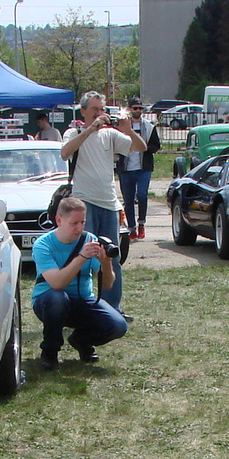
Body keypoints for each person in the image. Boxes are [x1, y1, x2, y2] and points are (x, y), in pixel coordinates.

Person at [59, 91, 143, 311]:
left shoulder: (110, 135)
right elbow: (65, 152)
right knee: (83, 257)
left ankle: (111, 307)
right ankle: (80, 306)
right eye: (95, 109)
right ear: (83, 111)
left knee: (111, 257)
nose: (100, 114)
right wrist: (91, 128)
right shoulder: (74, 132)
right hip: (84, 204)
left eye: (102, 109)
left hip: (109, 203)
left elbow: (141, 148)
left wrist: (128, 131)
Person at [30, 196, 128, 369]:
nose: (79, 228)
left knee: (118, 325)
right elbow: (57, 284)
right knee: (57, 298)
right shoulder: (43, 245)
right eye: (74, 223)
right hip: (49, 302)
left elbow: (107, 285)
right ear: (59, 220)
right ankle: (50, 351)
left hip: (83, 301)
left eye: (82, 222)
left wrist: (106, 263)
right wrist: (82, 257)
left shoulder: (89, 239)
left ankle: (81, 340)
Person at [117, 100, 158, 241]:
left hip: (143, 168)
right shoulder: (121, 126)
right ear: (129, 109)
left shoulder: (149, 127)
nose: (138, 110)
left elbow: (155, 145)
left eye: (140, 108)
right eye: (135, 108)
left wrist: (144, 148)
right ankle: (131, 228)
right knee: (128, 200)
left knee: (142, 195)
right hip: (126, 169)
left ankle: (141, 223)